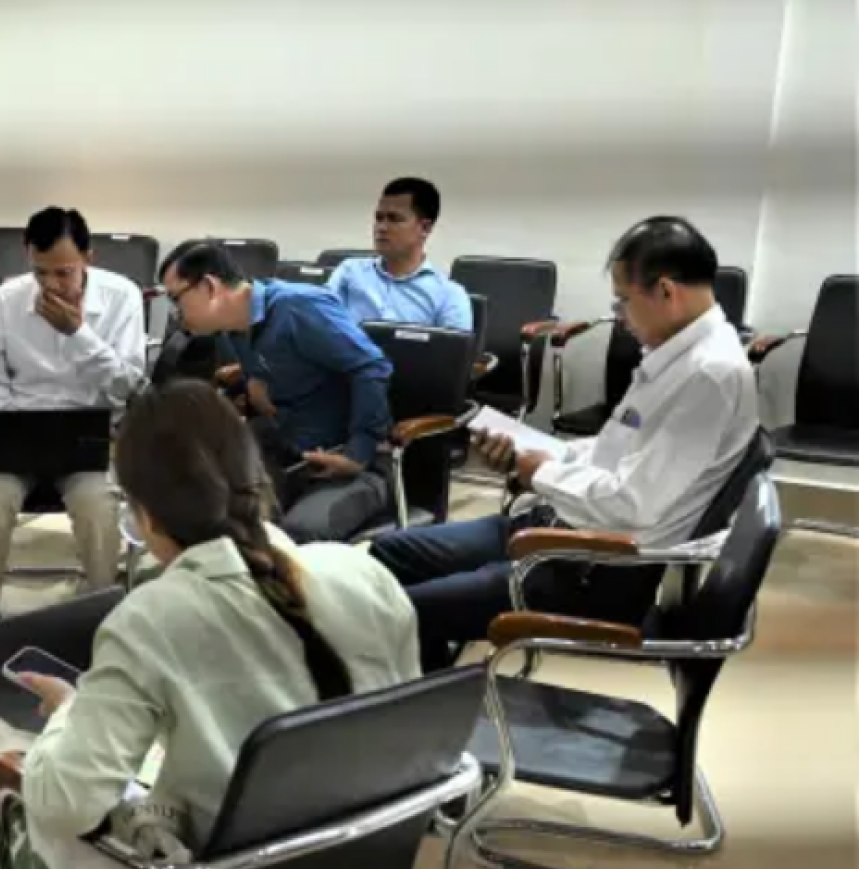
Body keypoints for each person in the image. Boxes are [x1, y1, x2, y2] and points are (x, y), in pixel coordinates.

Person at [0, 381, 417, 869]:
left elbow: (65, 803)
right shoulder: (363, 573)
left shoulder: (151, 618)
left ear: (145, 514)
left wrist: (68, 714)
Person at [369, 216, 760, 672]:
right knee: (387, 556)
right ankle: (426, 677)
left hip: (590, 568)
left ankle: (418, 693)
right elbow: (620, 447)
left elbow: (635, 507)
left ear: (666, 292)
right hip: (563, 527)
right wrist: (537, 453)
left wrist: (542, 472)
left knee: (396, 609)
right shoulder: (681, 353)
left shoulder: (708, 375)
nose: (619, 316)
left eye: (623, 301)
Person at [0, 207, 146, 625]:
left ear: (88, 258)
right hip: (19, 432)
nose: (51, 285)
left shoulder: (122, 297)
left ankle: (102, 619)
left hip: (90, 436)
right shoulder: (5, 300)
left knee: (98, 506)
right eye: (41, 273)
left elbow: (128, 386)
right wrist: (15, 433)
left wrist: (78, 335)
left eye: (63, 273)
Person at [159, 239, 394, 543]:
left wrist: (358, 453)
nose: (176, 313)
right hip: (286, 451)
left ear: (209, 287)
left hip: (346, 464)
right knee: (204, 510)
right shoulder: (233, 329)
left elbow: (371, 367)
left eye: (176, 300)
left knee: (296, 535)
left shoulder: (298, 307)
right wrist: (250, 380)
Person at [328, 177, 472, 331]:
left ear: (425, 228)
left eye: (394, 219)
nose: (381, 227)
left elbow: (454, 353)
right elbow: (319, 325)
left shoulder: (448, 295)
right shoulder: (350, 272)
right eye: (379, 218)